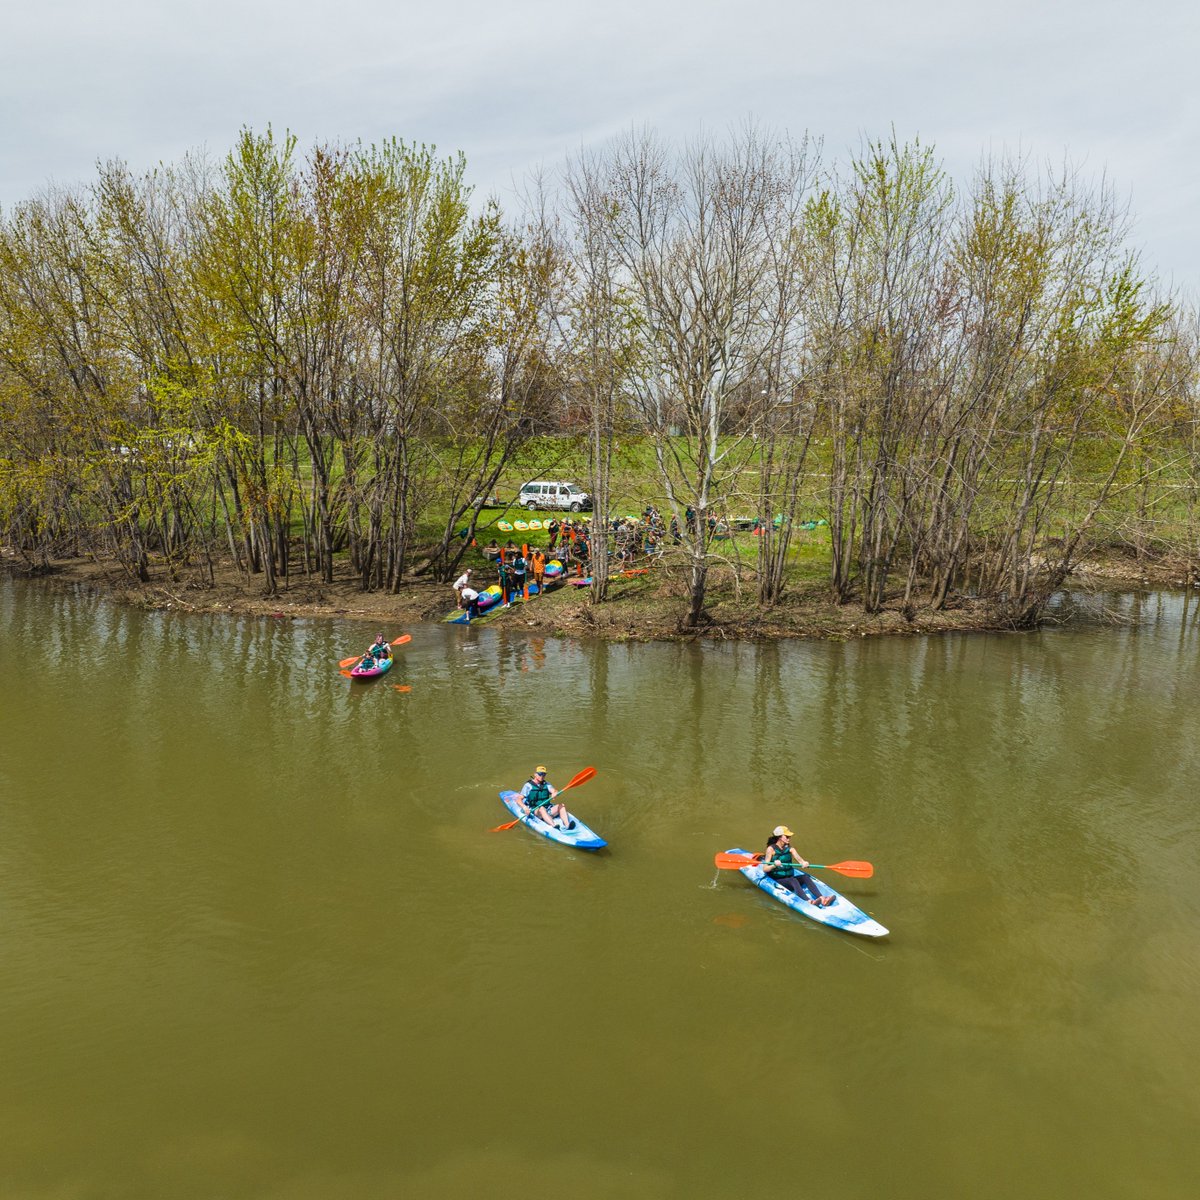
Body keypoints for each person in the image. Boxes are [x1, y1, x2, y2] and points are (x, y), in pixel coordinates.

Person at [761, 826, 831, 906]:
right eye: (787, 837)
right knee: (793, 880)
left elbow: (800, 860)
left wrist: (804, 863)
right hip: (778, 880)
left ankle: (822, 898)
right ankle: (809, 901)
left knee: (805, 877)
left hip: (789, 878)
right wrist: (774, 865)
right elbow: (765, 869)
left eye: (789, 837)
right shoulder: (771, 849)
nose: (789, 838)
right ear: (779, 837)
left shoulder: (790, 849)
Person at [518, 765, 573, 830]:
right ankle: (554, 826)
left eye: (544, 774)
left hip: (548, 809)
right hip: (535, 810)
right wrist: (525, 808)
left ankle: (567, 825)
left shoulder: (547, 784)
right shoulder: (528, 785)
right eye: (540, 774)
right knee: (541, 808)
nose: (542, 776)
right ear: (535, 774)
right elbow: (519, 799)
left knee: (561, 805)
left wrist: (554, 793)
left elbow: (554, 790)